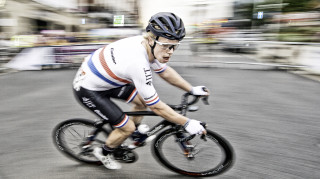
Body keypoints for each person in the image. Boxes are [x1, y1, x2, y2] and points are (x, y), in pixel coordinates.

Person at [72, 12, 209, 170]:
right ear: (151, 40)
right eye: (166, 45)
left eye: (174, 46)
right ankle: (103, 152)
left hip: (106, 79)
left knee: (142, 102)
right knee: (127, 127)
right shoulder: (137, 62)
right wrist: (186, 123)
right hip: (89, 89)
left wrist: (191, 89)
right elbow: (156, 106)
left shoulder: (149, 46)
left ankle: (132, 133)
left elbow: (164, 71)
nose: (170, 51)